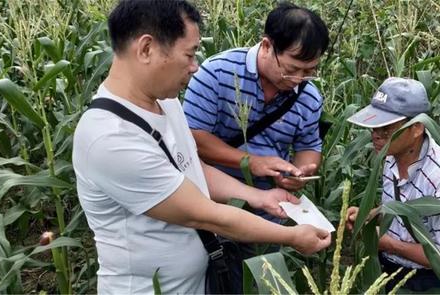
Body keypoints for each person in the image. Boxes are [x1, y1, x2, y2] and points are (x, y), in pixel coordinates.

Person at [71, 1, 330, 294]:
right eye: (190, 54)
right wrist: (293, 236)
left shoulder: (165, 103)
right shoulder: (110, 138)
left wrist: (260, 196)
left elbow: (193, 169)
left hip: (197, 282)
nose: (195, 66)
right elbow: (206, 214)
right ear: (146, 49)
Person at [182, 1, 329, 194]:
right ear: (267, 46)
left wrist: (300, 172)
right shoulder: (217, 73)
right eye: (292, 69)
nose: (299, 79)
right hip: (210, 202)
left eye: (309, 71)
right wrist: (250, 162)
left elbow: (309, 146)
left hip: (269, 211)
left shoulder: (309, 98)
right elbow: (192, 137)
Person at [345, 77, 440, 292]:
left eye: (386, 129)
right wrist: (371, 215)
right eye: (373, 128)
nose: (376, 136)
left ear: (417, 128)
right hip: (389, 269)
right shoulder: (391, 155)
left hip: (426, 283)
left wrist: (387, 243)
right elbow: (401, 209)